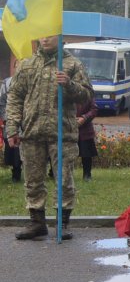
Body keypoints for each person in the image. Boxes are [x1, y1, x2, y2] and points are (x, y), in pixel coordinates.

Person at [6, 35, 93, 240]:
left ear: (59, 36)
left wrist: (69, 84)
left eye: (50, 36)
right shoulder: (27, 64)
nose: (45, 40)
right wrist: (12, 127)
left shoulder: (72, 64)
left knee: (64, 180)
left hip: (62, 133)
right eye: (42, 36)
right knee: (33, 180)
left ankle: (63, 223)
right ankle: (37, 223)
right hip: (32, 131)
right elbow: (15, 97)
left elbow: (87, 96)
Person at [0, 74, 22, 182]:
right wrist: (5, 118)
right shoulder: (6, 83)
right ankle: (15, 172)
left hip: (27, 119)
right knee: (12, 148)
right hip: (10, 119)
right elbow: (2, 103)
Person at [77, 95, 99, 181]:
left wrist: (84, 118)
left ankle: (87, 175)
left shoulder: (87, 92)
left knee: (86, 154)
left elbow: (94, 110)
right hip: (67, 127)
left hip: (85, 129)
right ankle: (56, 174)